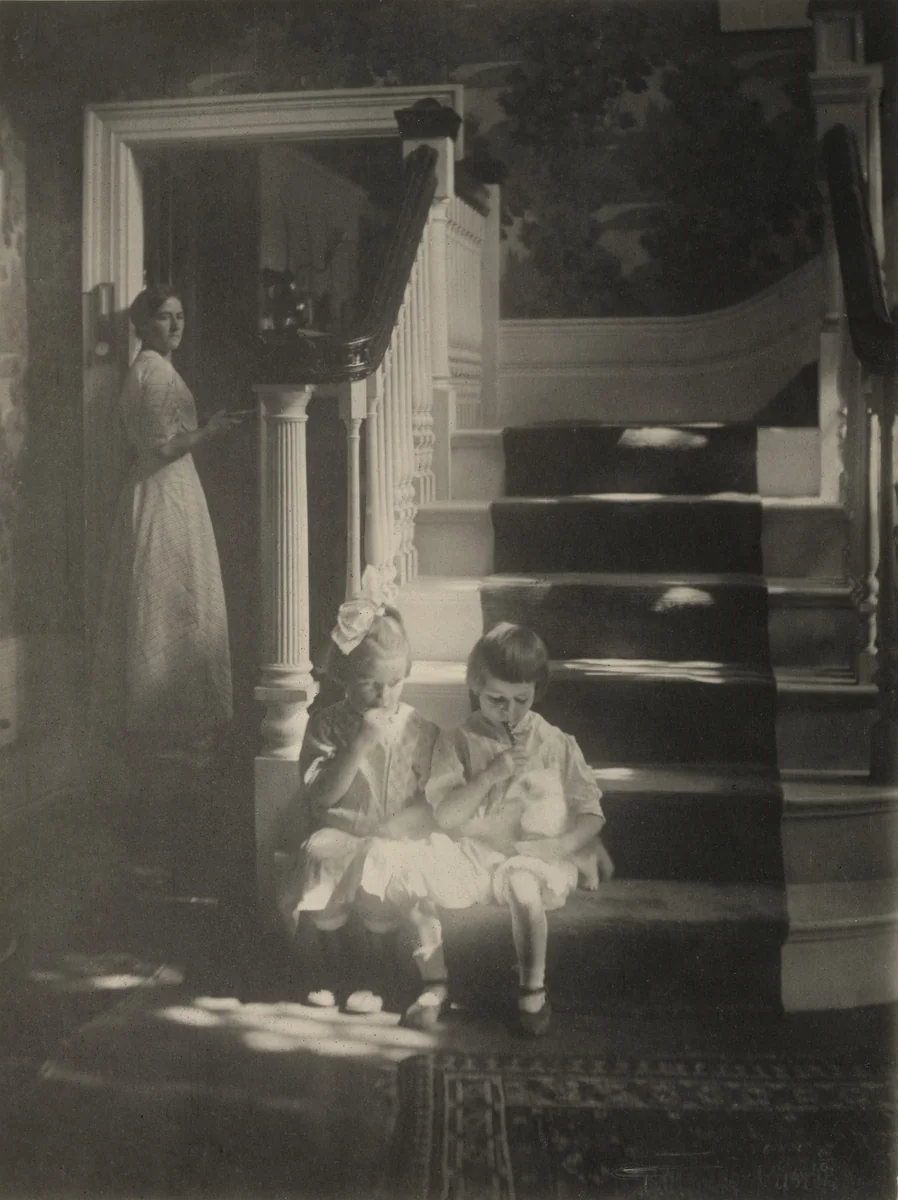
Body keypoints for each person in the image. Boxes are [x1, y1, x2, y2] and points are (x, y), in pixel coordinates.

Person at [364, 622, 614, 1037]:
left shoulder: (554, 742)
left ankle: (532, 991)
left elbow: (591, 811)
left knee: (523, 888)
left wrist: (562, 846)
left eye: (522, 699)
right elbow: (445, 817)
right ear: (475, 688)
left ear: (537, 692)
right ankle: (434, 982)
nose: (509, 711)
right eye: (496, 699)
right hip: (472, 852)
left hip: (530, 855)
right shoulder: (458, 741)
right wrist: (489, 776)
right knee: (408, 880)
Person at [90, 284, 243, 871]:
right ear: (142, 324)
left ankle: (179, 744)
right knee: (167, 604)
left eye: (180, 316)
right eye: (163, 317)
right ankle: (166, 749)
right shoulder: (149, 374)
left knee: (181, 603)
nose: (174, 325)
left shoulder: (153, 368)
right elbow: (163, 447)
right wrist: (214, 429)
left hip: (174, 493)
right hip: (163, 490)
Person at [284, 577, 440, 1014]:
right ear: (344, 677)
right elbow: (320, 795)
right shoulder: (327, 725)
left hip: (390, 834)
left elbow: (434, 799)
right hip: (339, 828)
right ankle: (327, 970)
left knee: (381, 874)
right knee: (321, 860)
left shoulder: (418, 729)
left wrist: (403, 825)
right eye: (371, 683)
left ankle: (373, 974)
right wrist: (358, 746)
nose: (385, 695)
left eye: (395, 682)